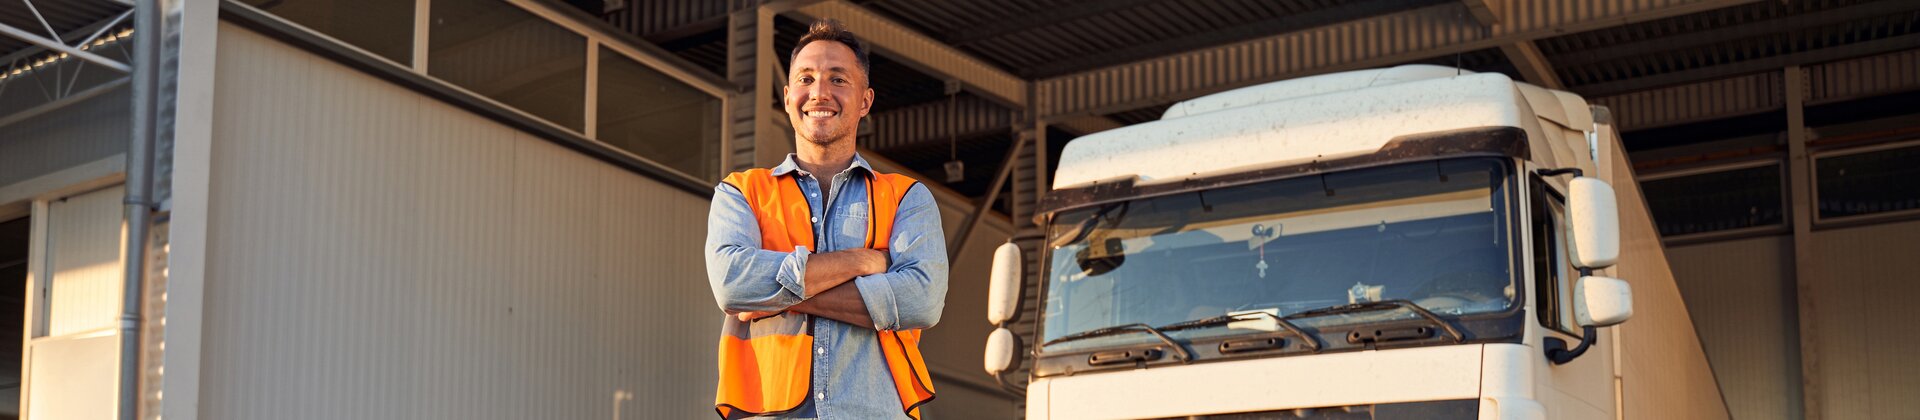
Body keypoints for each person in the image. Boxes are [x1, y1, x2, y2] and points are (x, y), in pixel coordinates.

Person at [704, 19, 948, 420]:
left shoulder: (907, 198)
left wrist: (776, 297)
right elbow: (733, 285)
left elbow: (922, 300)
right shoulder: (741, 192)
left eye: (838, 79)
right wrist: (860, 262)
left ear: (866, 101)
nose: (819, 92)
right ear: (786, 97)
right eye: (806, 78)